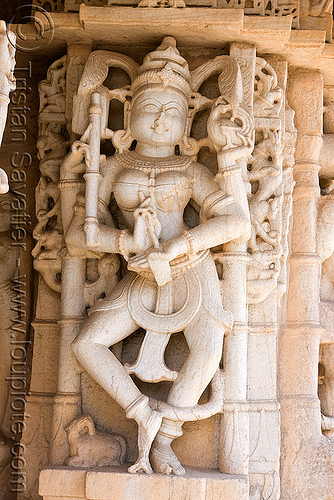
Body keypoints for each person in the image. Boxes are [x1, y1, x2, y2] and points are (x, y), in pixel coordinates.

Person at [64, 37, 250, 475]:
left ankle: (165, 441)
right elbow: (78, 234)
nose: (163, 119)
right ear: (129, 116)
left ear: (188, 124)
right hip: (141, 272)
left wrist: (180, 244)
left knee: (207, 350)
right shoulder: (112, 167)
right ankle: (141, 412)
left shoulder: (190, 170)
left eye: (174, 111)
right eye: (151, 108)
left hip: (191, 268)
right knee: (86, 344)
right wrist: (123, 243)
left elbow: (235, 221)